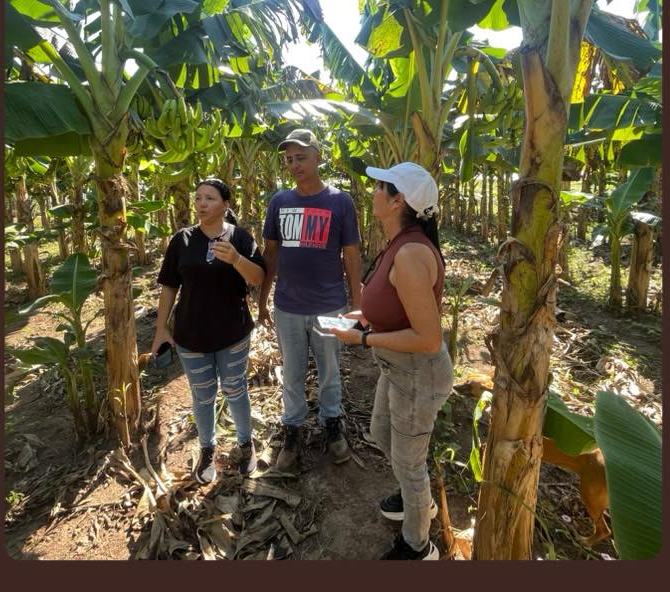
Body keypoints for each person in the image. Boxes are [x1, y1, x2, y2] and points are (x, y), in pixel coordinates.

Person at [328, 161, 454, 561]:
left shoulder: (412, 253)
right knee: (382, 434)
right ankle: (413, 494)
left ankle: (418, 545)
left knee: (410, 464)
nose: (372, 193)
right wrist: (366, 317)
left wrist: (363, 338)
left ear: (397, 199)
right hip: (397, 368)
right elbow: (397, 305)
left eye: (379, 187)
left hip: (417, 372)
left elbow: (428, 338)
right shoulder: (399, 241)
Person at [259, 127, 364, 473]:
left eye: (301, 157)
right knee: (291, 372)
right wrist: (263, 299)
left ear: (318, 156)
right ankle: (293, 429)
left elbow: (351, 255)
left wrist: (357, 303)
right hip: (288, 305)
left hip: (329, 304)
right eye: (289, 159)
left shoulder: (339, 201)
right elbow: (270, 255)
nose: (294, 164)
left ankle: (332, 424)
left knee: (330, 370)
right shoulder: (279, 201)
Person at [150, 178, 263, 484]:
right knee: (202, 396)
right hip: (191, 334)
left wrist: (236, 259)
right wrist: (161, 329)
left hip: (233, 332)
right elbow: (169, 286)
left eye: (209, 198)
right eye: (198, 198)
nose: (201, 204)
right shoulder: (182, 240)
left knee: (235, 388)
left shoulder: (239, 237)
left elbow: (258, 277)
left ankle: (245, 444)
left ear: (226, 204)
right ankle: (207, 448)